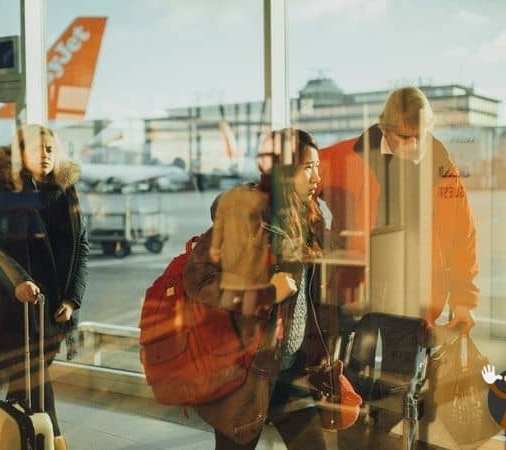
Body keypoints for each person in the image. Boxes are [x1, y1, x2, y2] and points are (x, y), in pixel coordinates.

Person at [185, 128, 340, 449]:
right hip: (244, 372)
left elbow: (311, 294)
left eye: (318, 167)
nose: (317, 176)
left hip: (290, 368)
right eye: (308, 167)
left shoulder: (309, 217)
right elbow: (198, 281)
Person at [318, 86, 479, 332]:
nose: (414, 144)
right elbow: (295, 177)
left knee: (403, 371)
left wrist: (463, 303)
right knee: (347, 370)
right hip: (352, 296)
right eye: (405, 137)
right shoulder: (346, 157)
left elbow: (462, 239)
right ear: (385, 129)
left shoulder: (444, 170)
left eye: (421, 136)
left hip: (414, 301)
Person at [0, 125, 88, 450]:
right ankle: (52, 441)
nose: (46, 154)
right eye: (38, 148)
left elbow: (82, 245)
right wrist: (18, 280)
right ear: (20, 154)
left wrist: (72, 299)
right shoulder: (2, 191)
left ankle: (8, 438)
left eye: (51, 149)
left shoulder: (66, 190)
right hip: (17, 305)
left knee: (25, 385)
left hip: (54, 307)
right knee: (33, 376)